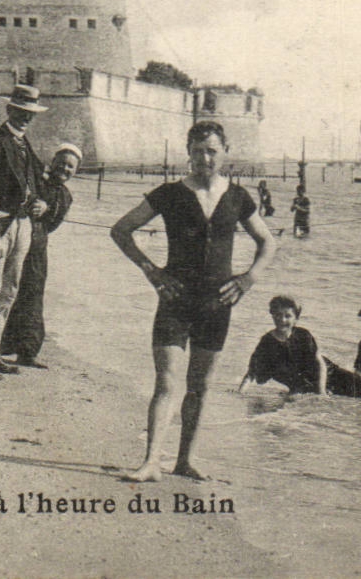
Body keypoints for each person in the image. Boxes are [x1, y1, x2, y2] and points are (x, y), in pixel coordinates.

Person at [109, 120, 277, 481]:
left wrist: (248, 280)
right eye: (198, 151)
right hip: (176, 298)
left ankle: (184, 461)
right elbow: (121, 230)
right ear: (188, 153)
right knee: (166, 382)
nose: (205, 158)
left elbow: (268, 243)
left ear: (225, 153)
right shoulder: (169, 193)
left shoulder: (238, 196)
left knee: (200, 387)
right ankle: (152, 461)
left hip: (218, 303)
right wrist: (151, 272)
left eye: (212, 151)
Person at [0, 84, 49, 375]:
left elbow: (37, 183)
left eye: (30, 113)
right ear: (9, 110)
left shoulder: (24, 144)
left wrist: (41, 202)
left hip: (23, 224)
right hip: (2, 224)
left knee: (10, 288)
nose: (25, 118)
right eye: (20, 112)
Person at [4, 142, 80, 368]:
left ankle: (27, 350)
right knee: (6, 290)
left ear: (76, 171)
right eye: (62, 163)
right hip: (17, 239)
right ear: (53, 161)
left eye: (70, 167)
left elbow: (53, 224)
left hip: (37, 248)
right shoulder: (36, 180)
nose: (65, 169)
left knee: (33, 294)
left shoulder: (65, 195)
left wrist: (48, 209)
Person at [237, 296, 361, 398]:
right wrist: (240, 392)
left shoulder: (303, 335)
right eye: (278, 315)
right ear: (272, 315)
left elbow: (320, 363)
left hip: (329, 375)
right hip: (304, 385)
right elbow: (252, 372)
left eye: (288, 316)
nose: (282, 320)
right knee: (295, 400)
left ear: (296, 318)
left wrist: (321, 392)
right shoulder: (266, 342)